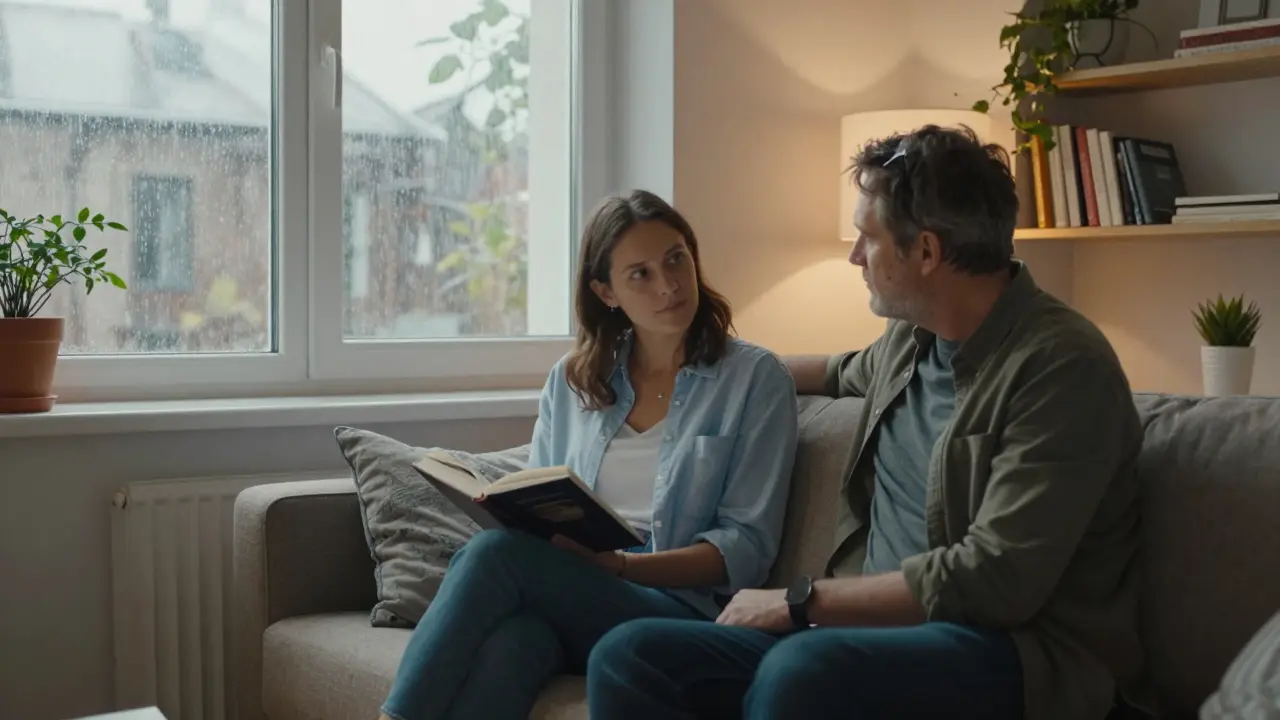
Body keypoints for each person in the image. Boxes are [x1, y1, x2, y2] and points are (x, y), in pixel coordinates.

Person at [586, 125, 1147, 720]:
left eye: (867, 236)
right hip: (866, 636)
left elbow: (996, 580)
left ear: (926, 253)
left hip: (1013, 653)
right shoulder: (911, 338)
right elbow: (835, 371)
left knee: (804, 671)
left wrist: (801, 602)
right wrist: (698, 367)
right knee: (630, 654)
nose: (855, 255)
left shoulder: (1061, 369)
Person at [377, 189, 800, 720]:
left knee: (495, 556)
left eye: (676, 259)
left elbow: (746, 548)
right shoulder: (573, 381)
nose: (668, 284)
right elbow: (536, 496)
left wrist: (620, 566)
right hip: (581, 597)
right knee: (519, 640)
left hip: (684, 611)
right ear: (606, 291)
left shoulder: (755, 380)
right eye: (640, 274)